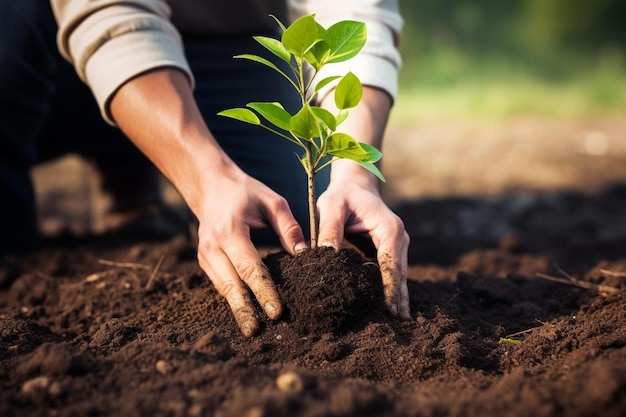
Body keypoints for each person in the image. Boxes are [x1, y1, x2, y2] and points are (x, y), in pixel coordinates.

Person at [0, 0, 411, 336]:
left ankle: (136, 165)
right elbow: (110, 15)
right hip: (56, 33)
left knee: (293, 214)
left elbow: (358, 15)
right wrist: (207, 178)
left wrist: (354, 173)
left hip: (219, 43)